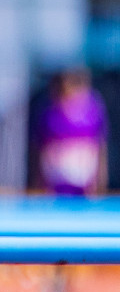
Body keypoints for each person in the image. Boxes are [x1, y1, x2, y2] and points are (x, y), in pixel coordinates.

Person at [36, 67, 108, 197]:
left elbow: (99, 147)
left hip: (83, 187)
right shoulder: (50, 115)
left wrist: (99, 182)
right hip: (57, 186)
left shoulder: (92, 112)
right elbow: (42, 151)